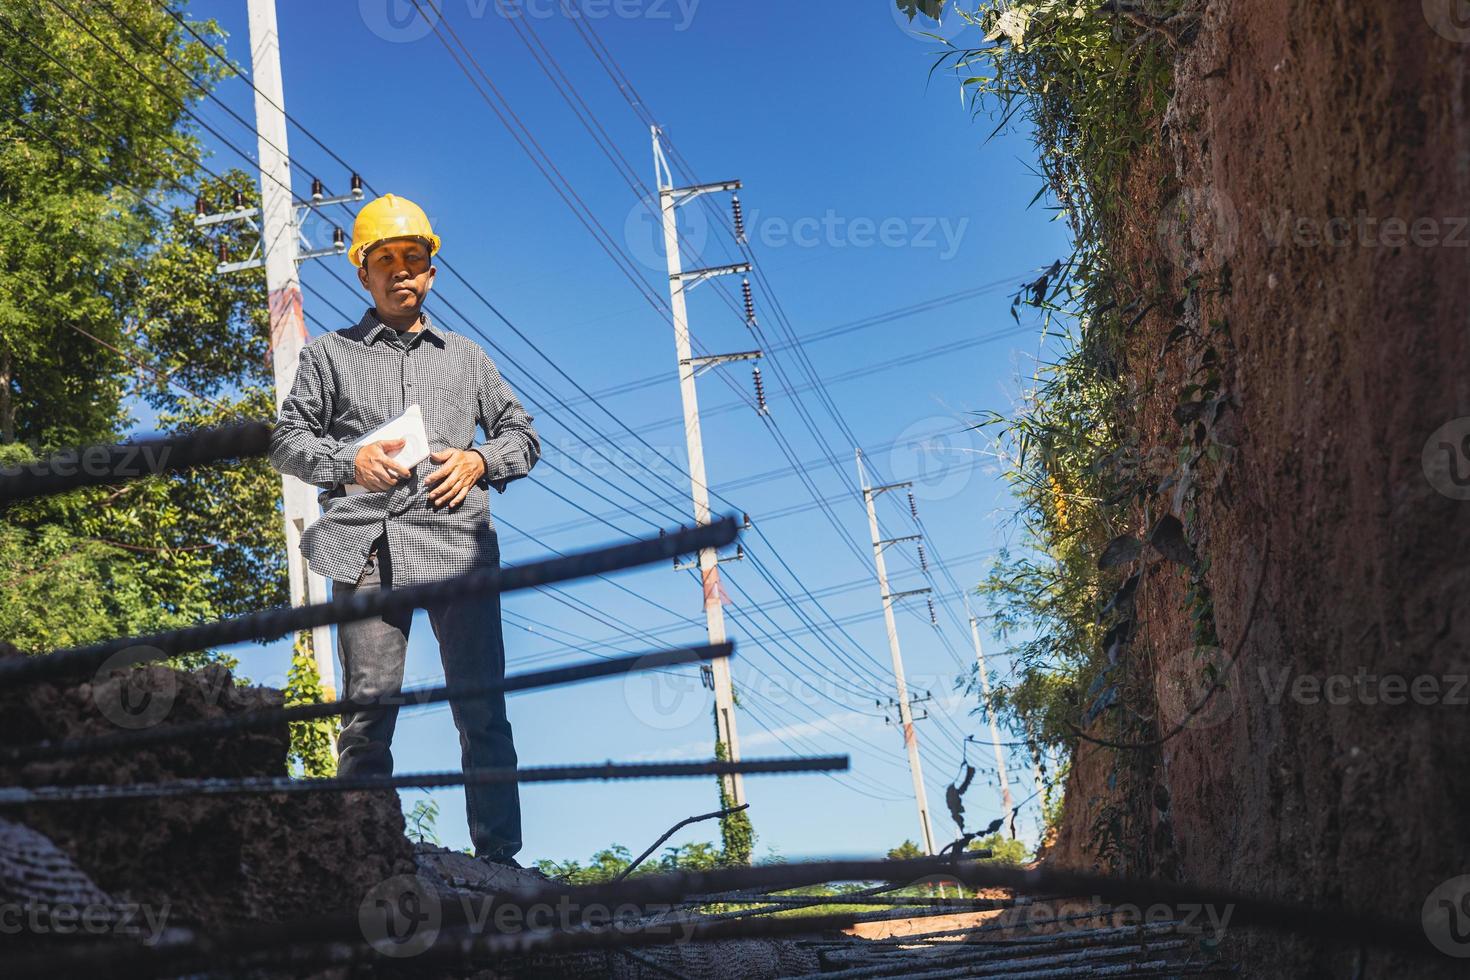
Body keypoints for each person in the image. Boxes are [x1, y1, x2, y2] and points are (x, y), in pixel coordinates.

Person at [269, 194, 539, 865]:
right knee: (366, 714)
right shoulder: (329, 356)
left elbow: (523, 437)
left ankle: (500, 863)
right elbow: (287, 440)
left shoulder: (467, 359)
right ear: (362, 273)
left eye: (412, 259)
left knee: (482, 710)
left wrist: (481, 459)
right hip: (366, 551)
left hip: (459, 548)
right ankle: (364, 857)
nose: (400, 272)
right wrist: (349, 459)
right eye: (384, 260)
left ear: (430, 271)